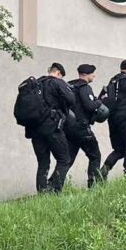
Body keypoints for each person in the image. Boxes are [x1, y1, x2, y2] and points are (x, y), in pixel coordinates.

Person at [32, 63, 74, 193]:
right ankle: (55, 191)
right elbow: (71, 99)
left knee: (43, 162)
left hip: (35, 129)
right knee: (64, 159)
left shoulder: (36, 84)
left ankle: (42, 192)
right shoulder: (57, 82)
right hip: (52, 127)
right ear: (58, 73)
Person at [65, 64, 108, 188]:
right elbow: (89, 106)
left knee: (67, 160)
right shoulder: (85, 87)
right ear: (86, 74)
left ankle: (54, 187)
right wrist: (99, 101)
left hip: (69, 129)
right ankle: (93, 185)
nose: (94, 76)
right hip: (82, 128)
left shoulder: (70, 86)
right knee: (95, 156)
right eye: (92, 73)